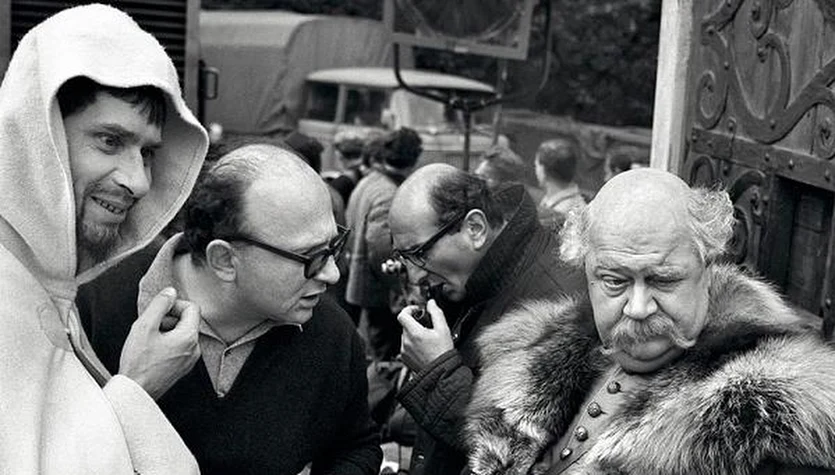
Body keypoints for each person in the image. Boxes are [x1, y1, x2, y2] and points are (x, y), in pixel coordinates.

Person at [465, 168, 835, 475]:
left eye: (663, 279)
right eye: (614, 281)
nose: (638, 307)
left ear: (707, 270)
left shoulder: (775, 431)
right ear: (586, 272)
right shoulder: (534, 349)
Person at [0, 5, 209, 473]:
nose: (139, 181)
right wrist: (137, 386)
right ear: (37, 136)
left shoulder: (47, 285)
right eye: (110, 141)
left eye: (148, 152)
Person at [90, 144, 382, 474]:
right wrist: (135, 390)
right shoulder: (96, 305)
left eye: (334, 246)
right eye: (311, 257)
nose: (332, 273)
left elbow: (356, 446)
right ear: (224, 260)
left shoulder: (331, 331)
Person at [387, 164, 587, 475]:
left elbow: (514, 451)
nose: (414, 276)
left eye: (420, 254)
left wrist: (435, 371)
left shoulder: (557, 302)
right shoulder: (473, 281)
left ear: (476, 228)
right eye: (405, 258)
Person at [345, 127, 423, 361]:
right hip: (380, 293)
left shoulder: (370, 180)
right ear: (414, 158)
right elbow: (380, 250)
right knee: (385, 358)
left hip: (365, 283)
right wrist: (402, 286)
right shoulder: (389, 193)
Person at [534, 138, 587, 229]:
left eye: (536, 166)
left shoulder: (563, 214)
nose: (535, 170)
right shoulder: (552, 198)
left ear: (542, 170)